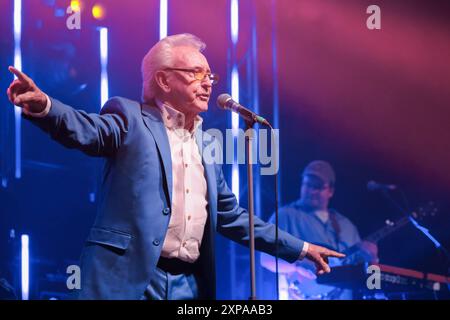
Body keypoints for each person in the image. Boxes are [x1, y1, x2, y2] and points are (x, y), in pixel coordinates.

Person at [6, 33, 344, 300]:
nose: (209, 82)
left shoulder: (207, 144)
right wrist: (46, 106)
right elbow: (85, 130)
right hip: (131, 277)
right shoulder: (130, 117)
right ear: (165, 81)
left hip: (189, 284)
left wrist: (300, 248)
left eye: (210, 74)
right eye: (196, 73)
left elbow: (230, 216)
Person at [261, 160, 378, 300]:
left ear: (331, 191)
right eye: (307, 184)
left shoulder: (347, 226)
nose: (311, 191)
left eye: (318, 186)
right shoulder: (285, 216)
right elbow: (265, 258)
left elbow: (371, 284)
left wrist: (373, 260)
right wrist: (298, 265)